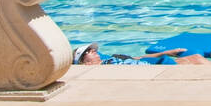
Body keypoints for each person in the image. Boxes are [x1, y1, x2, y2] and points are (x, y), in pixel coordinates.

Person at [74, 43, 203, 66]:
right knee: (195, 61)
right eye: (88, 51)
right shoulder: (96, 69)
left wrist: (166, 52)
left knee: (195, 58)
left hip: (153, 63)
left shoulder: (112, 58)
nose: (93, 50)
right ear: (84, 62)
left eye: (93, 49)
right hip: (152, 69)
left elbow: (137, 58)